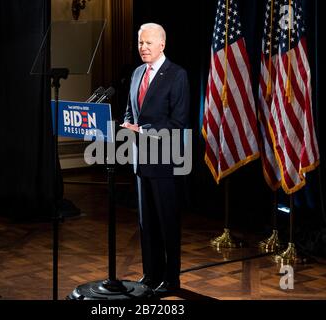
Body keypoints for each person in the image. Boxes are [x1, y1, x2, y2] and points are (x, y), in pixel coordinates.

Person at [121, 23, 190, 295]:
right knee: (146, 222)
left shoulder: (177, 75)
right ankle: (151, 274)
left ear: (162, 44)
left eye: (148, 43)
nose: (143, 48)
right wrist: (127, 123)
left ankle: (171, 278)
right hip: (141, 161)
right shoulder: (137, 72)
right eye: (140, 43)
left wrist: (145, 130)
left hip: (165, 162)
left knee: (166, 222)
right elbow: (130, 111)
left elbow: (179, 122)